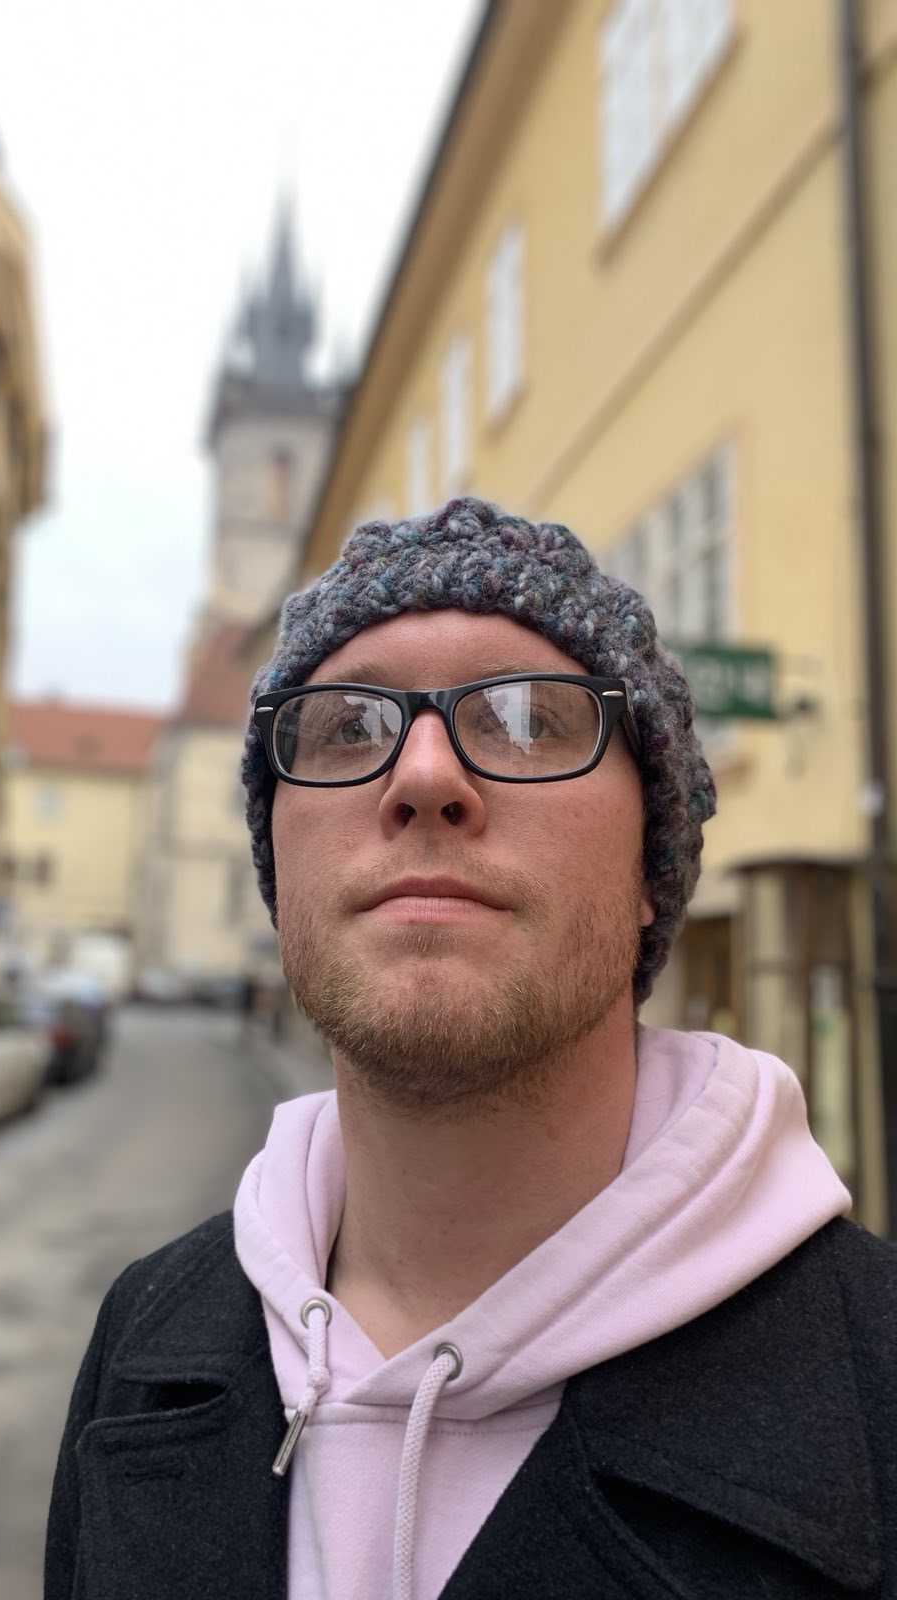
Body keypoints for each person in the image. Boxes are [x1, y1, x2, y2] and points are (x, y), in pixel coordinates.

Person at [45, 498, 897, 1599]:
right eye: (348, 725)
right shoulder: (141, 1341)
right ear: (278, 861)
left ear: (651, 869)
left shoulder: (873, 1386)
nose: (424, 774)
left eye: (530, 716)